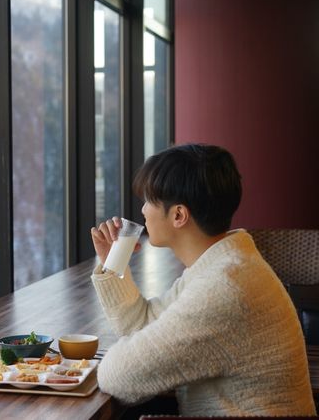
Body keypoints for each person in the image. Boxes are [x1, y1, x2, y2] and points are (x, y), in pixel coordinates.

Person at [90, 144, 316, 416]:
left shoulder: (224, 288)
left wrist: (118, 357)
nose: (143, 210)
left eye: (149, 200)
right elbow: (142, 324)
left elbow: (118, 377)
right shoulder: (223, 264)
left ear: (178, 215)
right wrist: (113, 265)